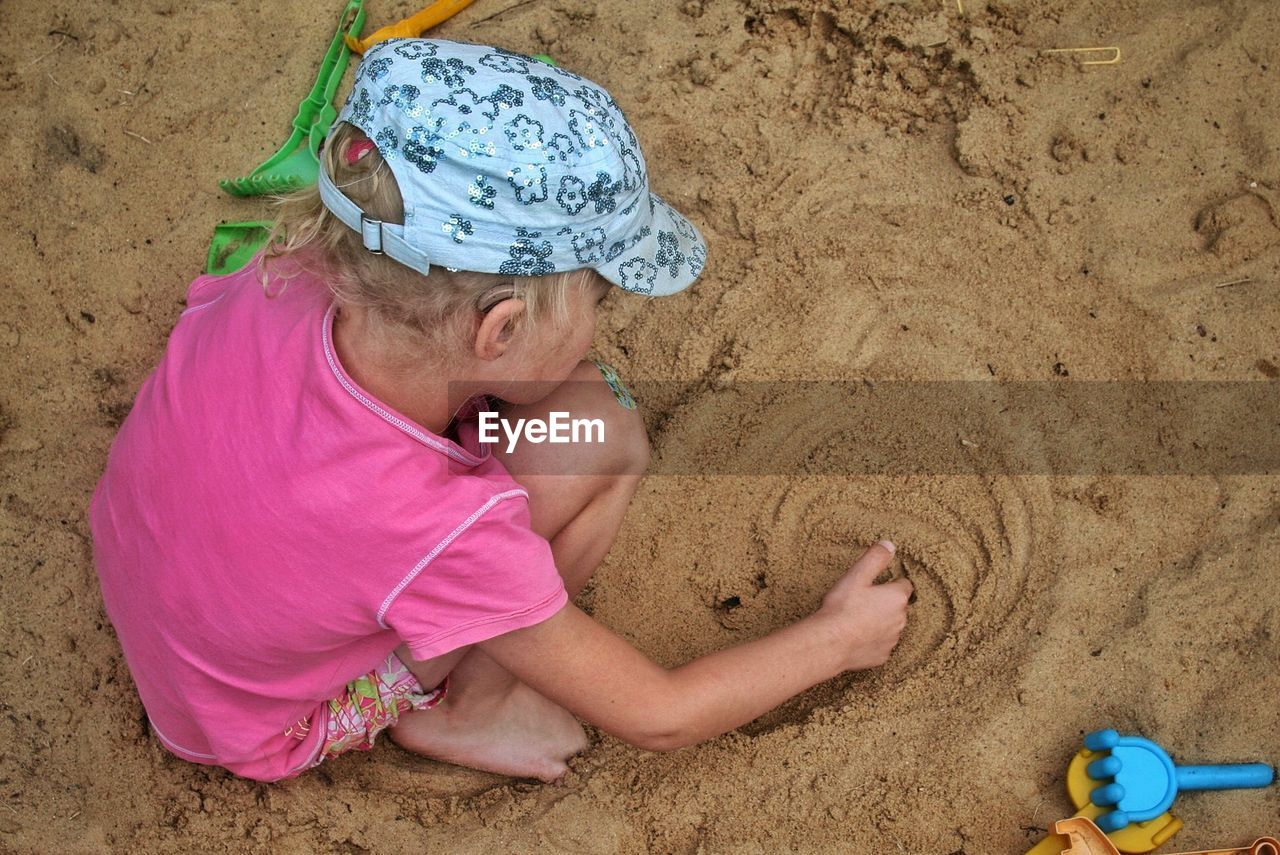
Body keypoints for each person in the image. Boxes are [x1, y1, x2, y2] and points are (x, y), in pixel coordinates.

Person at [88, 39, 912, 784]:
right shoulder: (441, 533)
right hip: (249, 721)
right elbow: (661, 713)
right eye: (597, 294)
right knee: (604, 429)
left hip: (161, 564)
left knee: (571, 402)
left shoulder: (298, 267)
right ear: (501, 327)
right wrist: (836, 640)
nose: (603, 319)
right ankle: (470, 707)